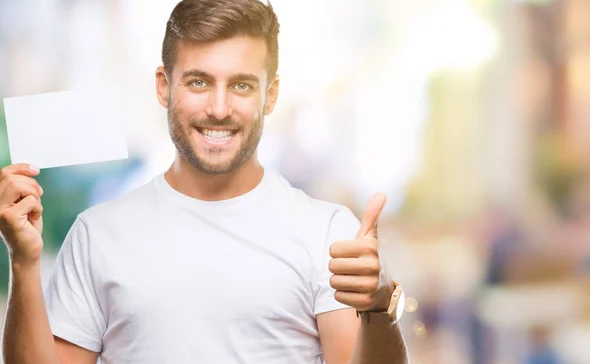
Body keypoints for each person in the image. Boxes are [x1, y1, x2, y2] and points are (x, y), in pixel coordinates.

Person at [0, 0, 408, 363]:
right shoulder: (97, 235)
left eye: (242, 85)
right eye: (198, 82)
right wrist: (23, 261)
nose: (218, 108)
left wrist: (378, 308)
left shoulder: (329, 233)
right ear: (164, 86)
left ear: (270, 95)